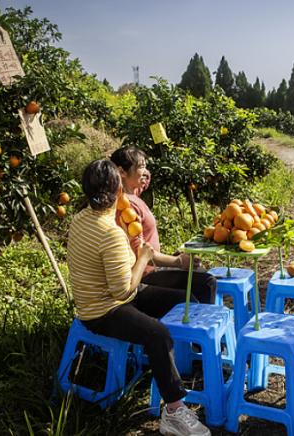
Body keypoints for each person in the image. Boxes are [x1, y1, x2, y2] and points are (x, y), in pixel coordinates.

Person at [67, 159, 210, 436]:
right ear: (118, 191)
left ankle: (179, 365)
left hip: (109, 298)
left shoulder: (81, 219)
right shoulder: (110, 234)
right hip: (103, 311)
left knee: (187, 300)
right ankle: (173, 411)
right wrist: (142, 257)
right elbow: (124, 291)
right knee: (157, 334)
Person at [110, 146, 217, 305]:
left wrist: (142, 169)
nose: (145, 171)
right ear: (122, 172)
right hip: (143, 275)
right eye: (140, 166)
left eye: (145, 166)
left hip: (153, 267)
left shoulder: (132, 193)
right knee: (205, 283)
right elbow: (141, 253)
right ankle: (197, 326)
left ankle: (199, 322)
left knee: (201, 276)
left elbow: (143, 182)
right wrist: (178, 262)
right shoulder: (126, 208)